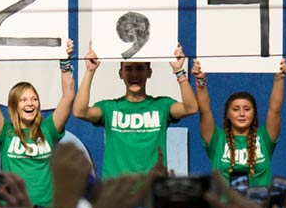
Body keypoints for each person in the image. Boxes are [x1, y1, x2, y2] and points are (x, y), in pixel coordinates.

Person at [0, 39, 76, 208]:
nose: (30, 104)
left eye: (34, 99)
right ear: (14, 106)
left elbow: (68, 97)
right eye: (23, 100)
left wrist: (65, 61)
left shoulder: (49, 130)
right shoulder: (5, 132)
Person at [74, 44, 198, 177]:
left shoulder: (162, 106)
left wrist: (179, 71)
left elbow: (191, 108)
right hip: (115, 192)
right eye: (128, 69)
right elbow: (79, 112)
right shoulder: (109, 108)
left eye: (140, 68)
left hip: (151, 192)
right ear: (121, 74)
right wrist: (90, 71)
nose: (134, 74)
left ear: (149, 72)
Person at [192, 58, 285, 187]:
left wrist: (279, 78)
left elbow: (275, 110)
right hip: (225, 206)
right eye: (236, 109)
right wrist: (200, 80)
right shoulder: (217, 139)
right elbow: (205, 111)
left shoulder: (264, 138)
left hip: (258, 206)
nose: (242, 114)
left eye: (247, 109)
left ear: (254, 114)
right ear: (227, 115)